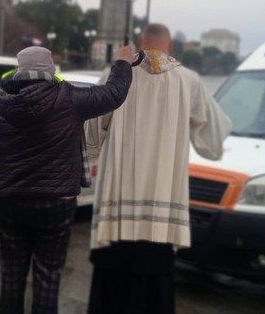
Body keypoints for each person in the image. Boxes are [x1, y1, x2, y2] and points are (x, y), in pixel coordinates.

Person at [0, 46, 134, 314]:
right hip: (56, 201)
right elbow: (114, 94)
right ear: (50, 69)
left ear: (19, 68)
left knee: (11, 273)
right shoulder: (70, 97)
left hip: (9, 199)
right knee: (48, 275)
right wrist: (122, 63)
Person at [85, 23, 232, 314]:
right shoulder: (188, 81)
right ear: (170, 47)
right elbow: (213, 139)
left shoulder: (115, 74)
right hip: (161, 207)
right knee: (153, 294)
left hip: (117, 205)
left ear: (140, 42)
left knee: (110, 293)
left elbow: (90, 136)